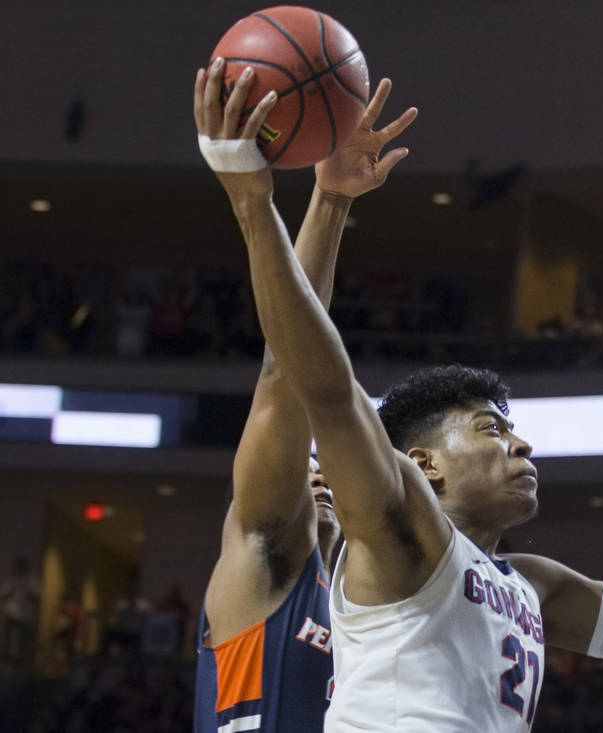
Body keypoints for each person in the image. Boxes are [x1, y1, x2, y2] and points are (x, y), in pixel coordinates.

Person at [195, 62, 603, 732]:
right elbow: (302, 380)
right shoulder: (298, 548)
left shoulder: (521, 585)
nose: (521, 443)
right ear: (417, 465)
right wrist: (269, 202)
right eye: (490, 428)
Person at [192, 60, 416, 733]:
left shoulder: (389, 607)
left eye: (329, 463)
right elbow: (286, 376)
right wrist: (332, 200)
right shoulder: (265, 561)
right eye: (308, 463)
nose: (315, 471)